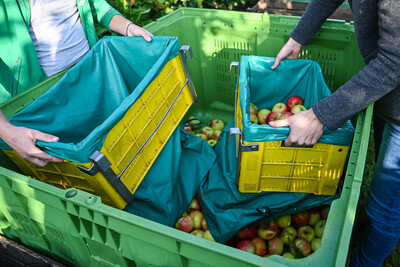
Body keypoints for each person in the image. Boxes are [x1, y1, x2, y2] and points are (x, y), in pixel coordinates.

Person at [269, 0, 400, 266]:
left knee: (386, 209)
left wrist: (319, 116)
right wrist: (298, 37)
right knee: (382, 192)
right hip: (388, 92)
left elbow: (393, 61)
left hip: (392, 81)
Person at [0, 0, 153, 167]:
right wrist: (8, 131)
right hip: (42, 102)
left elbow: (94, 5)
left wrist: (127, 26)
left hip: (92, 80)